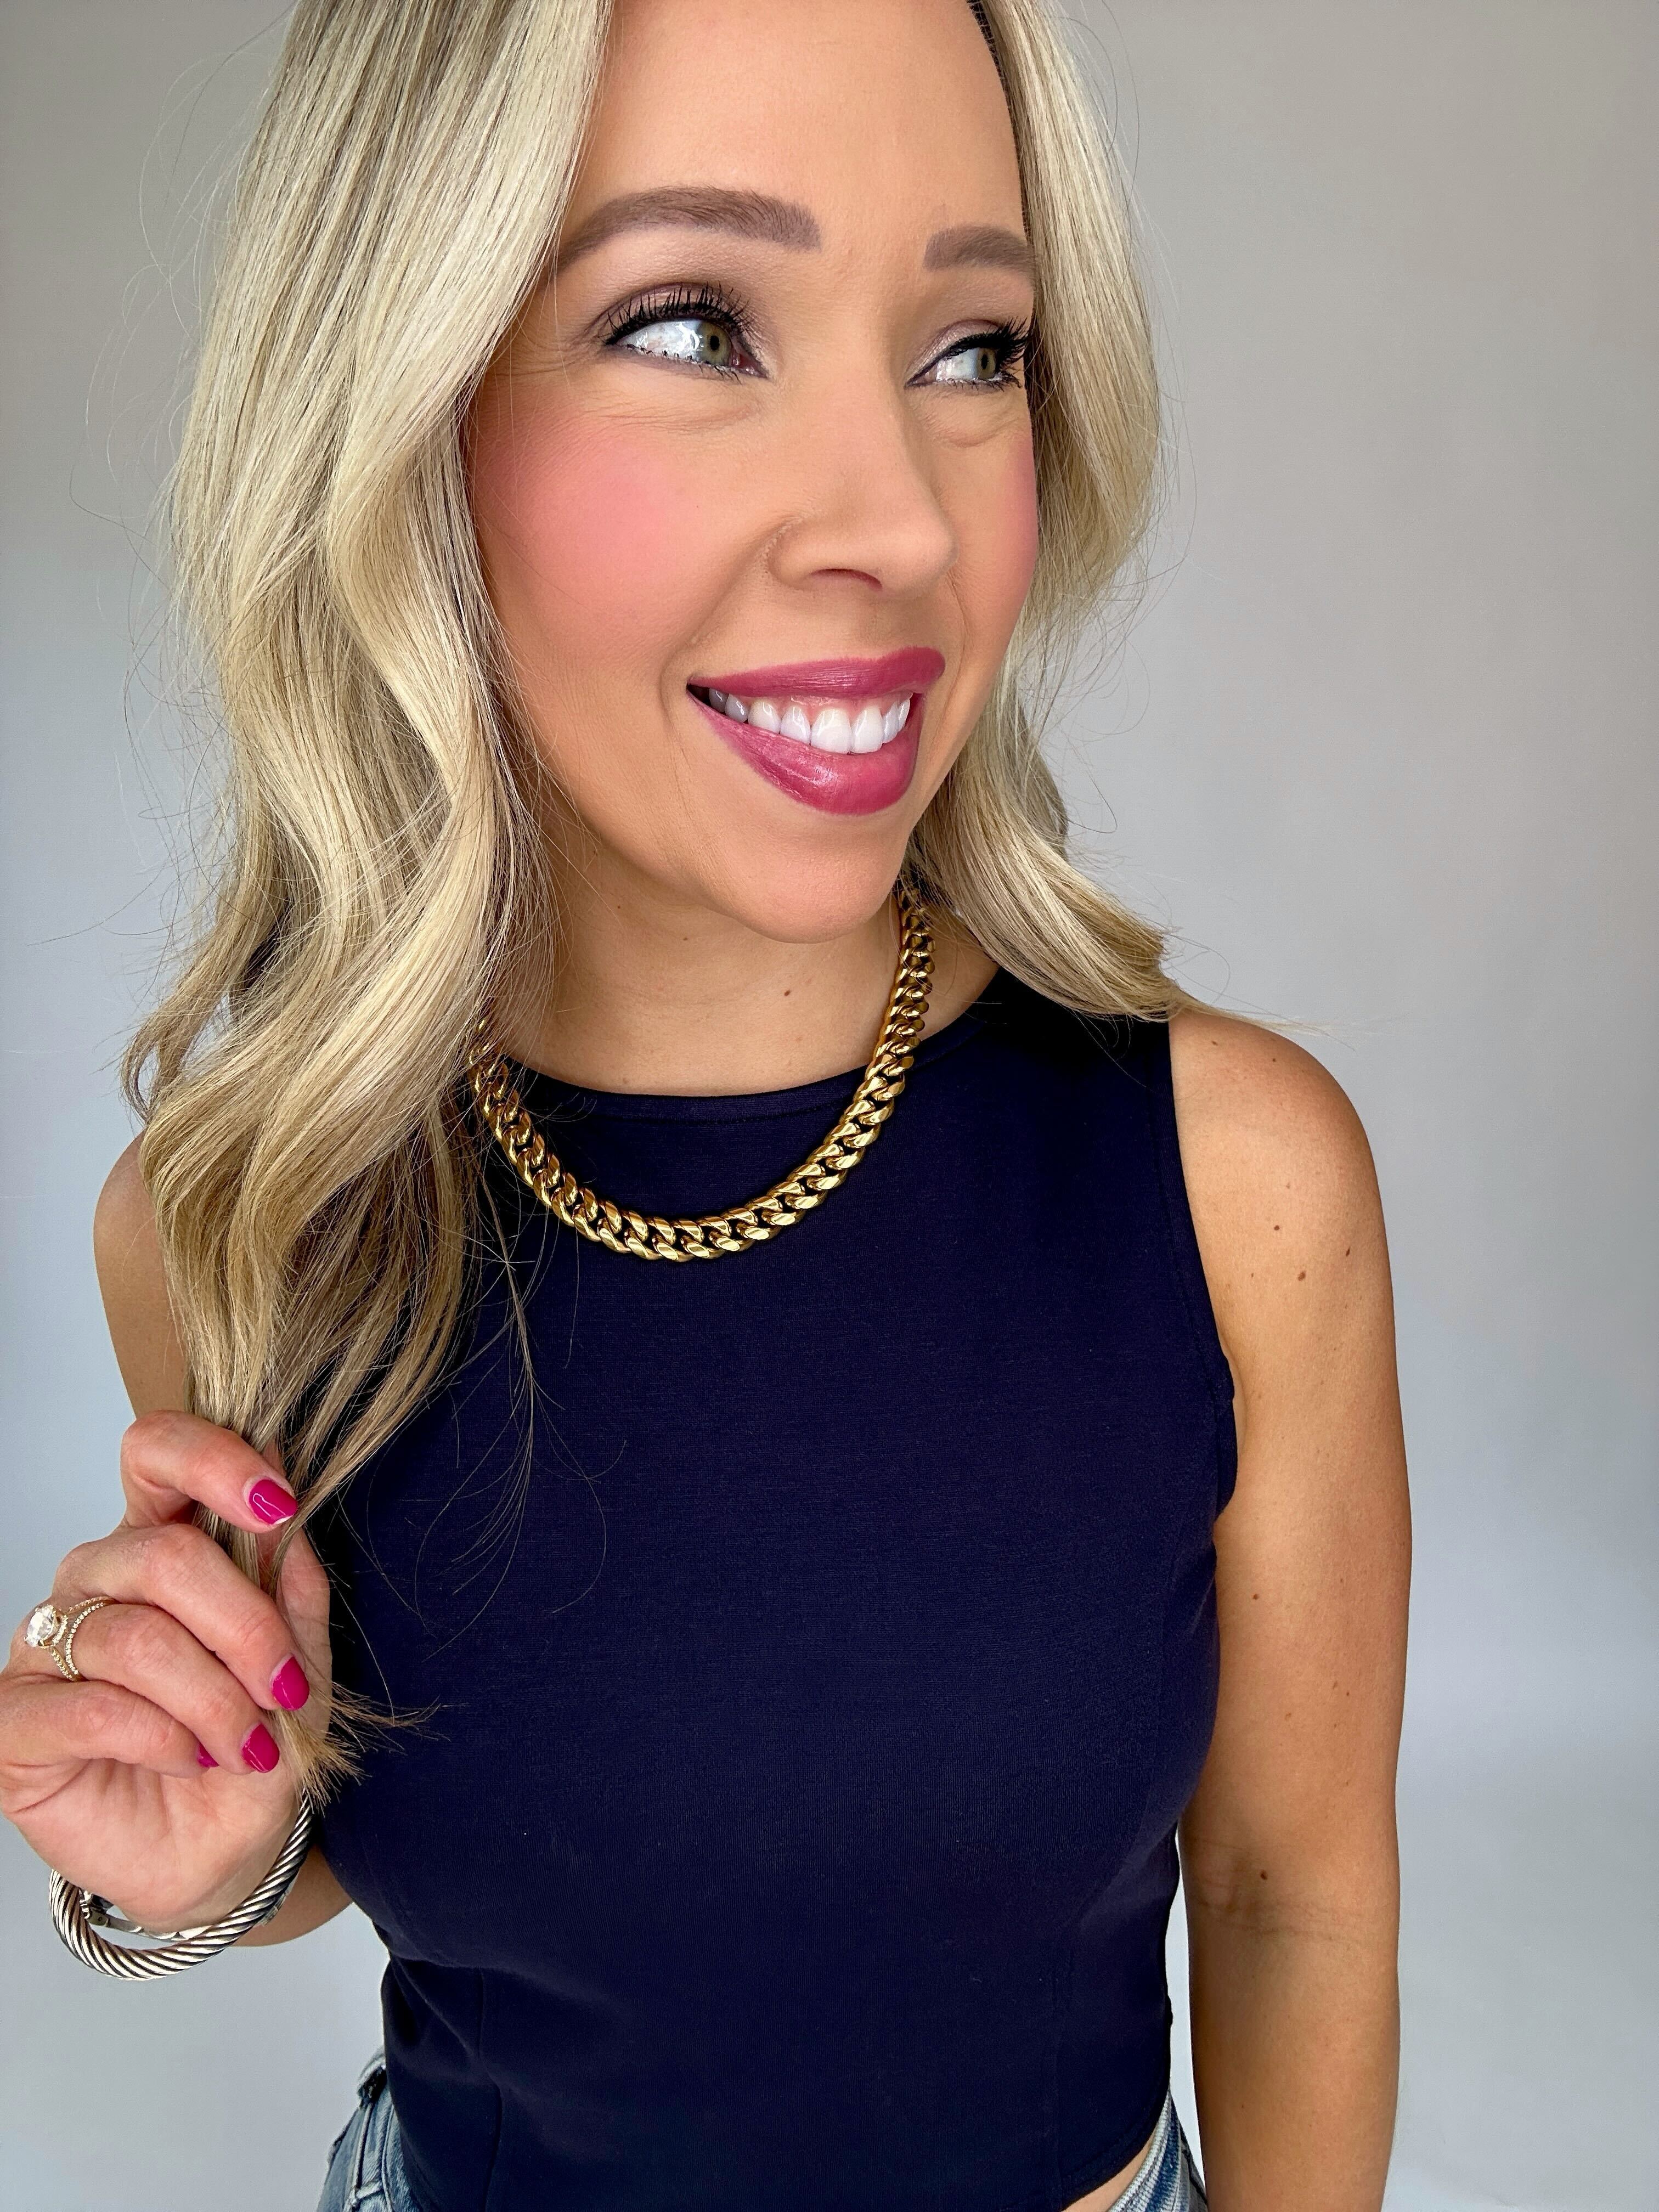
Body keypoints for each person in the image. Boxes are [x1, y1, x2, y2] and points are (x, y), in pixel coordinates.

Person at [0, 2, 1410, 2207]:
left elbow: (1293, 1897)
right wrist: (195, 1845)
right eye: (689, 324)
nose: (899, 523)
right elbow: (439, 1856)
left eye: (974, 349)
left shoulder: (1231, 1186)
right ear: (405, 413)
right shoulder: (245, 1226)